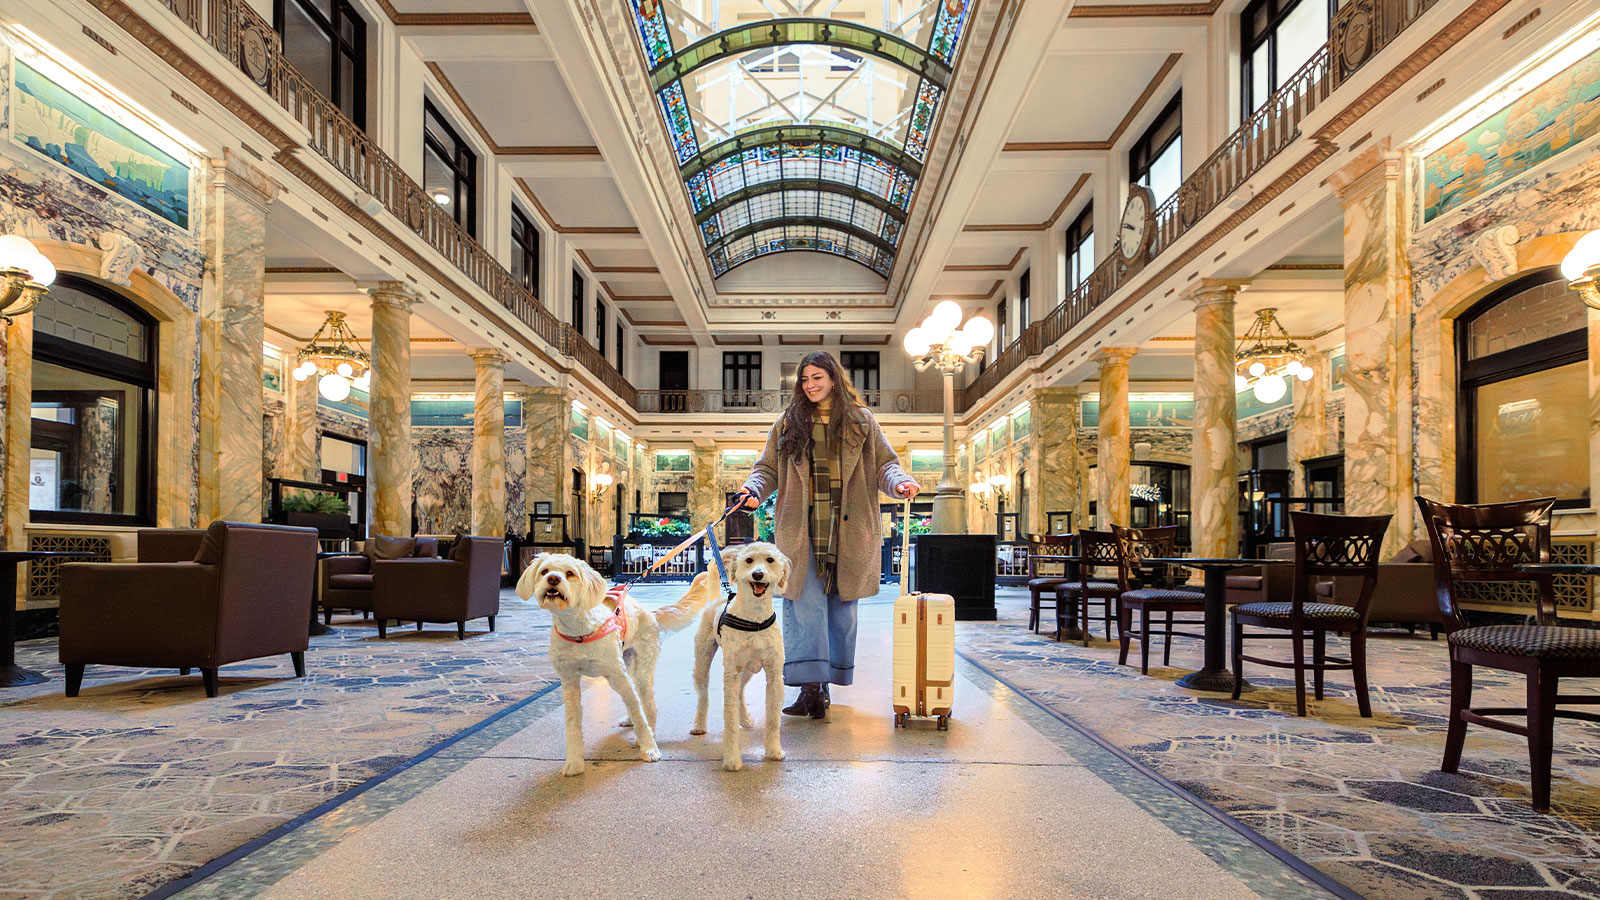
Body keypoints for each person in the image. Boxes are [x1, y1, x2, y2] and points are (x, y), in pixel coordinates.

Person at [735, 351, 919, 720]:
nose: (809, 385)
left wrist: (900, 482)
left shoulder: (861, 421)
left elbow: (886, 464)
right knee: (803, 608)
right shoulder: (789, 422)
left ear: (834, 378)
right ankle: (810, 689)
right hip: (801, 532)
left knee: (841, 611)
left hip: (849, 531)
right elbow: (766, 468)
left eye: (816, 377)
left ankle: (827, 682)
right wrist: (753, 489)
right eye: (804, 379)